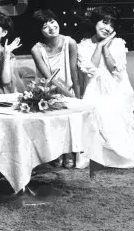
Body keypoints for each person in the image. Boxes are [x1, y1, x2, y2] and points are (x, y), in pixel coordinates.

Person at [77, 6, 134, 168]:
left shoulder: (118, 43)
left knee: (113, 112)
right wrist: (99, 47)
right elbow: (91, 70)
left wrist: (106, 48)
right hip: (93, 89)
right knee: (93, 113)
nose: (107, 28)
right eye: (104, 22)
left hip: (115, 90)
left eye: (111, 25)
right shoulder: (83, 45)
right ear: (95, 22)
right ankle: (96, 158)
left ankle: (122, 159)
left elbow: (115, 70)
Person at [30, 9, 80, 169]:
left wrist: (78, 98)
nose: (51, 27)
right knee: (55, 121)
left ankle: (69, 152)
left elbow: (74, 73)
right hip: (47, 92)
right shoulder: (36, 50)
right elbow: (49, 78)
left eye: (52, 22)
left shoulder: (70, 43)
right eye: (45, 26)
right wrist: (69, 96)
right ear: (39, 31)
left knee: (71, 116)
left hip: (69, 90)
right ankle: (57, 153)